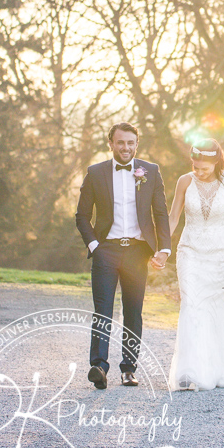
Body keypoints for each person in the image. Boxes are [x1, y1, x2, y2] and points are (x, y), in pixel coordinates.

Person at [75, 122, 172, 389]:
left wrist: (163, 249)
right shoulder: (95, 173)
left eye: (130, 143)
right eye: (120, 142)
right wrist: (94, 245)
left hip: (138, 253)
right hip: (106, 250)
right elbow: (82, 215)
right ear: (111, 144)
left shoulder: (150, 171)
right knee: (103, 311)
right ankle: (99, 366)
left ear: (136, 144)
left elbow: (160, 213)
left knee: (133, 311)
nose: (125, 147)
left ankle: (129, 368)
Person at [163, 138, 224, 391]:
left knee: (214, 310)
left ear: (217, 161)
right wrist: (162, 248)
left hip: (220, 254)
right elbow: (173, 217)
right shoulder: (185, 182)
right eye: (195, 166)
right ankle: (189, 373)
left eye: (203, 168)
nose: (198, 172)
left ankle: (215, 369)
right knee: (191, 304)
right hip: (190, 252)